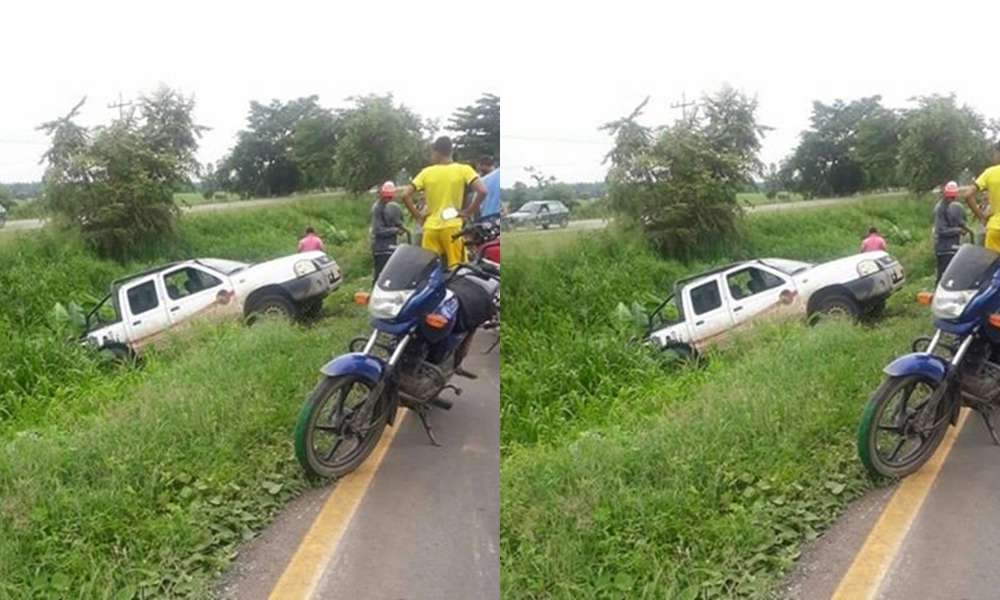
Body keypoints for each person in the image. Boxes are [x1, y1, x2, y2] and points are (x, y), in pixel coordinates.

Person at [401, 136, 487, 268]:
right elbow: (482, 191)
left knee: (430, 271)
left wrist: (418, 216)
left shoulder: (426, 172)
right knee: (458, 270)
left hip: (430, 229)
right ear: (450, 151)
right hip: (452, 228)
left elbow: (405, 194)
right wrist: (467, 212)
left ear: (436, 152)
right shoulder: (464, 169)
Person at [934, 181, 973, 282]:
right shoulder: (940, 209)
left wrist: (966, 228)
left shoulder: (955, 206)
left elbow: (959, 220)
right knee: (943, 275)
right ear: (945, 195)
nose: (951, 199)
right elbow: (941, 230)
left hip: (954, 246)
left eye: (953, 197)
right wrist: (958, 230)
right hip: (944, 248)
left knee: (954, 275)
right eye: (949, 197)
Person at [964, 142, 1000, 252]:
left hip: (995, 229)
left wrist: (982, 217)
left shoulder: (990, 173)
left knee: (993, 266)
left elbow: (968, 194)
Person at [370, 181, 409, 283]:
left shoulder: (392, 206)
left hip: (391, 246)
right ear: (382, 195)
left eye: (390, 197)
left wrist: (402, 227)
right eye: (386, 197)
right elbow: (377, 230)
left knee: (391, 275)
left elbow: (396, 221)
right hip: (381, 248)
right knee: (380, 275)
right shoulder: (377, 208)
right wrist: (395, 230)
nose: (388, 199)